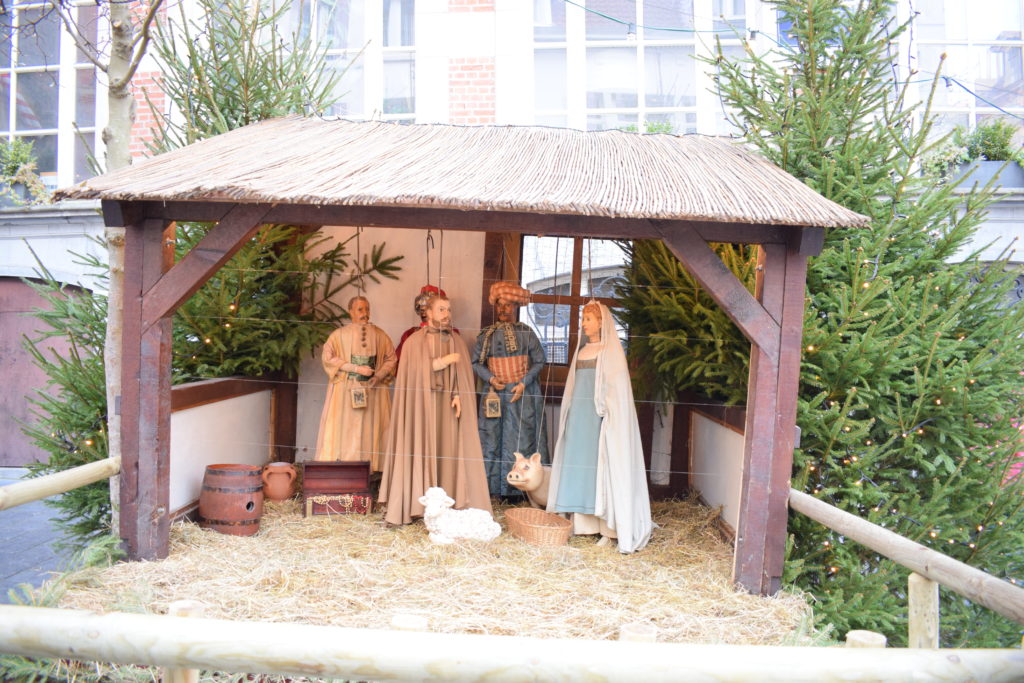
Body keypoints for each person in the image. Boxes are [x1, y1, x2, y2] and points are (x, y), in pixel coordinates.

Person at [546, 301, 652, 553]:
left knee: (600, 470)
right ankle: (581, 523)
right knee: (577, 468)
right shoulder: (582, 351)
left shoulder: (609, 352)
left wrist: (608, 415)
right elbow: (573, 387)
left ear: (602, 322)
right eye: (583, 319)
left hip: (598, 421)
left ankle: (607, 527)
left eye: (588, 319)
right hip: (578, 420)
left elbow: (615, 391)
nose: (583, 324)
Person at [379, 294, 492, 525]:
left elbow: (462, 376)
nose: (447, 314)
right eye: (441, 310)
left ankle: (453, 501)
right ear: (428, 313)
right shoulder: (413, 342)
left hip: (448, 408)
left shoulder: (456, 340)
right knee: (422, 445)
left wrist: (459, 395)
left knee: (448, 449)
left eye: (449, 310)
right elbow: (412, 374)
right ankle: (418, 505)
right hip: (421, 408)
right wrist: (441, 362)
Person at [472, 281, 548, 498]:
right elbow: (476, 362)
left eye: (508, 305)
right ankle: (494, 491)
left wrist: (524, 382)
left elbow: (540, 361)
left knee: (521, 439)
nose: (503, 309)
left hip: (521, 396)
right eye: (500, 305)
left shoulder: (526, 333)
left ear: (516, 307)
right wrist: (491, 379)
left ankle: (521, 493)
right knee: (492, 440)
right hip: (496, 395)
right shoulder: (486, 335)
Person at [314, 296, 397, 471]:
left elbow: (391, 358)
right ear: (350, 311)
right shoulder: (338, 335)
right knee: (345, 431)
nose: (364, 313)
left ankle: (371, 470)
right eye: (360, 309)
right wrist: (356, 369)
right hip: (346, 390)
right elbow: (327, 358)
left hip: (373, 391)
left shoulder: (381, 335)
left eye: (367, 309)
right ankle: (342, 470)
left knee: (371, 430)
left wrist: (379, 375)